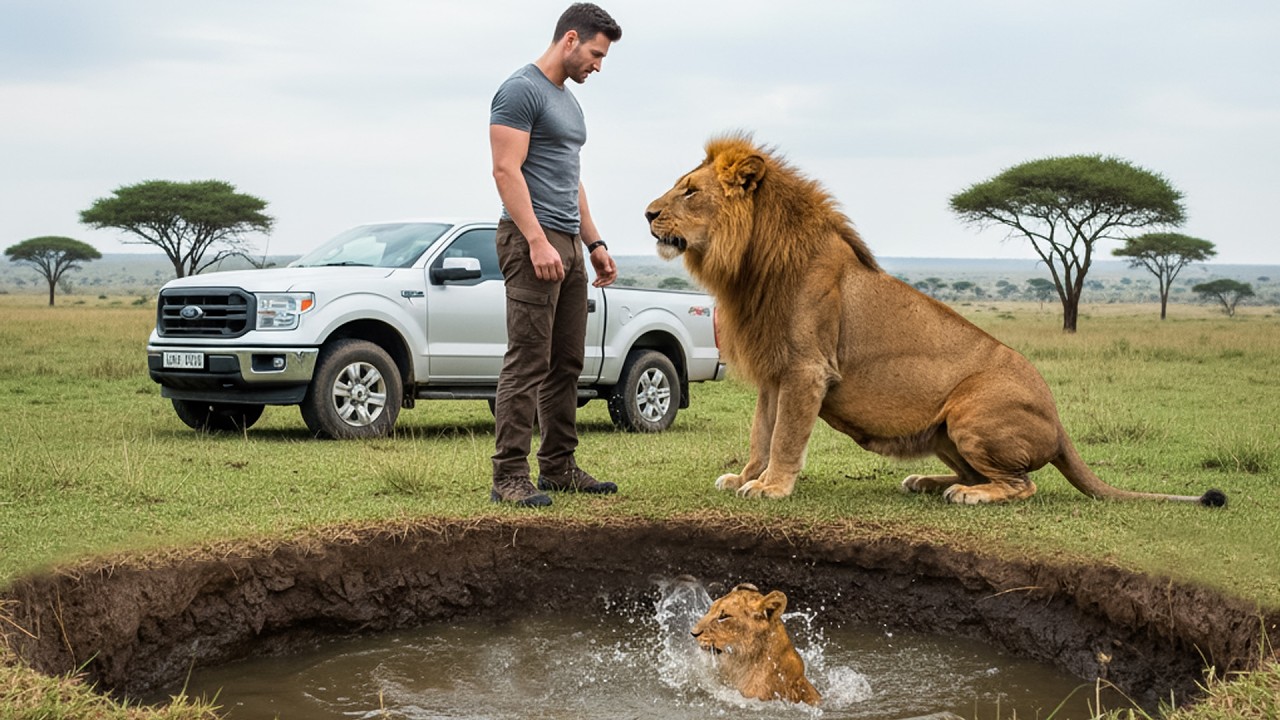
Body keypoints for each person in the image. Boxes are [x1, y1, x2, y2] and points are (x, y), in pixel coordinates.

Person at [488, 3, 622, 507]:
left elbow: (571, 177)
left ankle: (559, 467)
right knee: (528, 360)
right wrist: (536, 240)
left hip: (566, 240)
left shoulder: (568, 102)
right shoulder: (520, 90)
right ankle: (508, 477)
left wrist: (594, 243)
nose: (598, 66)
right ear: (570, 40)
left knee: (567, 360)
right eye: (595, 54)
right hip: (532, 240)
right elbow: (506, 170)